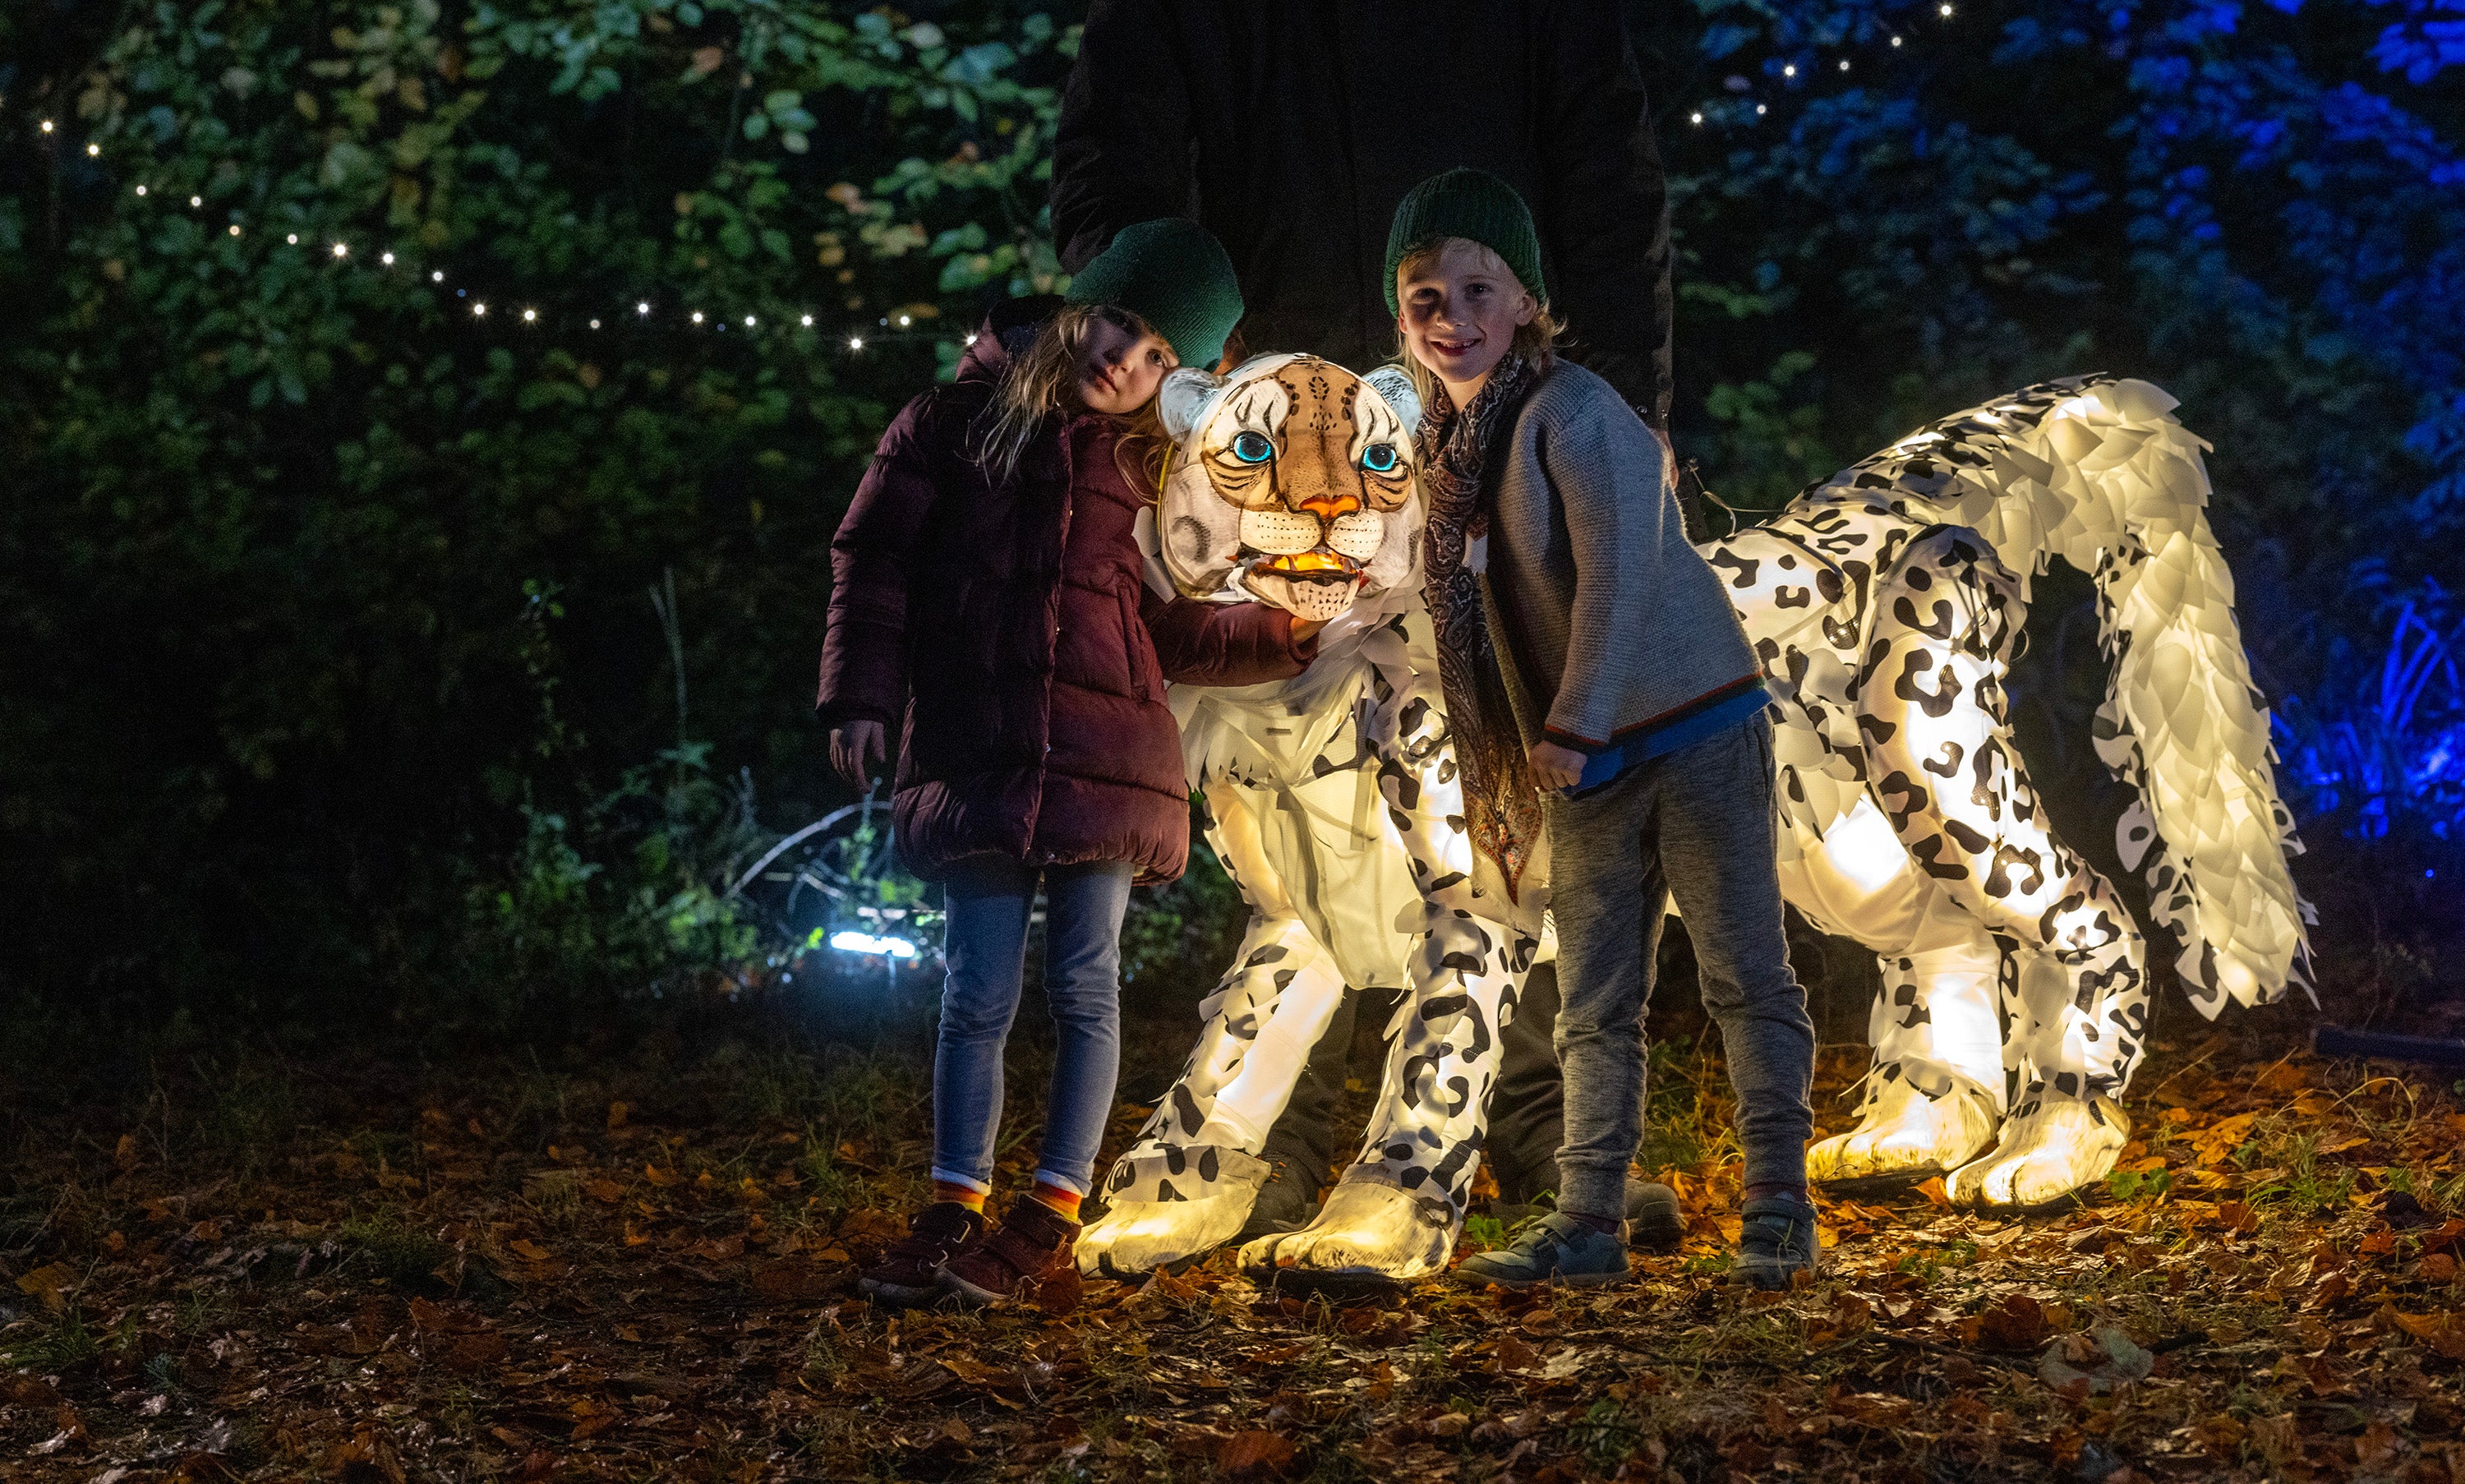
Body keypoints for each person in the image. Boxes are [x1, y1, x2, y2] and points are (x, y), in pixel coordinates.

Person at [1050, 1, 1689, 1234]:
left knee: (1513, 744)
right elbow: (1116, 160)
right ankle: (1277, 1130)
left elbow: (1607, 174)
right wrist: (1152, 338)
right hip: (1270, 412)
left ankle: (1540, 1104)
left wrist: (1622, 400)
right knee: (1284, 766)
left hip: (1486, 386)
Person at [817, 219, 1323, 1310]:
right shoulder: (951, 425)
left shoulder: (1149, 469)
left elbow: (1173, 630)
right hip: (977, 742)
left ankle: (1049, 1207)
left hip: (1109, 758)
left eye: (1158, 360)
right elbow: (875, 562)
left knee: (1086, 984)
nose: (1127, 364)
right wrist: (859, 695)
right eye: (1122, 327)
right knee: (976, 989)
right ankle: (954, 1201)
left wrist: (1285, 631)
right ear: (1081, 302)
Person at [1380, 170, 1819, 1290]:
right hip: (1584, 753)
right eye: (1425, 295)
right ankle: (1586, 1222)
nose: (1451, 316)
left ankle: (1779, 1205)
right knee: (1591, 1000)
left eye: (1477, 288)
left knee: (1741, 970)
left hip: (1686, 720)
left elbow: (1621, 577)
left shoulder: (1578, 412)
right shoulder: (1452, 444)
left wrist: (1570, 726)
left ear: (1527, 302)